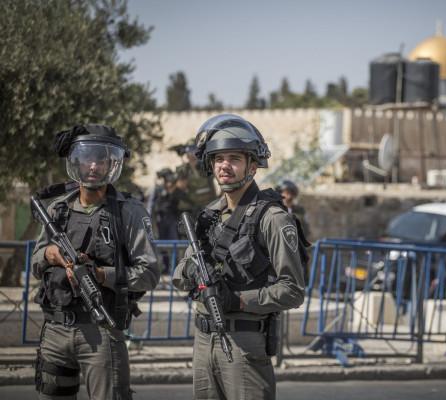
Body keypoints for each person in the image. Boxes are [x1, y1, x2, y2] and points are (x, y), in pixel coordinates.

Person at [172, 114, 309, 400]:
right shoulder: (208, 216)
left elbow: (293, 290)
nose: (224, 165)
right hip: (203, 339)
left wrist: (238, 300)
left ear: (253, 166)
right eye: (218, 158)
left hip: (244, 342)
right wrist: (192, 273)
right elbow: (179, 274)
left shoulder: (273, 218)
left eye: (234, 158)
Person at [31, 124, 160, 400]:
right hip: (55, 330)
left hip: (102, 331)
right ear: (75, 162)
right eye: (87, 158)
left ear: (111, 165)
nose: (93, 166)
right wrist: (51, 255)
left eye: (101, 160)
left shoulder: (129, 212)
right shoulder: (58, 209)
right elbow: (36, 261)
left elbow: (149, 274)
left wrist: (100, 274)